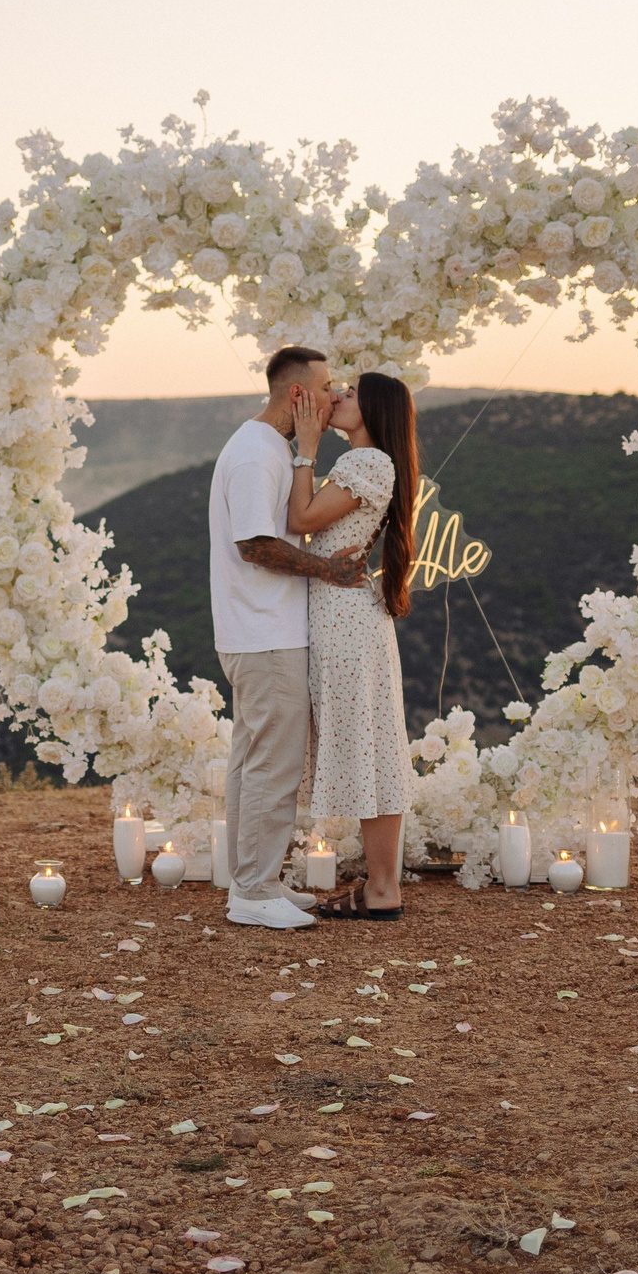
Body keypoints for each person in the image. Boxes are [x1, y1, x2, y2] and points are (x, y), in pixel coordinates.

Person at [210, 347, 368, 931]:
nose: (336, 396)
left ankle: (258, 879)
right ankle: (252, 893)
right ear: (299, 395)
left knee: (254, 761)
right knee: (272, 767)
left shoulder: (271, 448)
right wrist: (330, 571)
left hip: (257, 632)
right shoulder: (256, 454)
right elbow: (254, 545)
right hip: (264, 633)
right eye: (328, 387)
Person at [289, 371, 419, 919]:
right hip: (350, 617)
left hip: (345, 621)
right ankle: (382, 886)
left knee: (369, 742)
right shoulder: (371, 463)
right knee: (375, 742)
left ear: (376, 410)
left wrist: (306, 450)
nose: (337, 397)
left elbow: (300, 519)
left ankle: (384, 888)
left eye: (351, 393)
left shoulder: (365, 462)